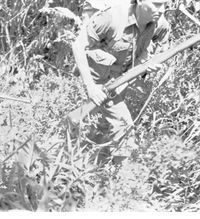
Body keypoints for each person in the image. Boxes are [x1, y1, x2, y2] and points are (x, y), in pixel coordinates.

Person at [72, 0, 171, 160]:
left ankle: (90, 164)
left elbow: (162, 48)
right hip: (97, 80)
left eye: (165, 4)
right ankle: (125, 179)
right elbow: (78, 46)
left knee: (102, 127)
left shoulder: (159, 24)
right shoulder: (112, 17)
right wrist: (91, 87)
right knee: (124, 126)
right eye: (156, 4)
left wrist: (150, 64)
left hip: (121, 81)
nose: (162, 10)